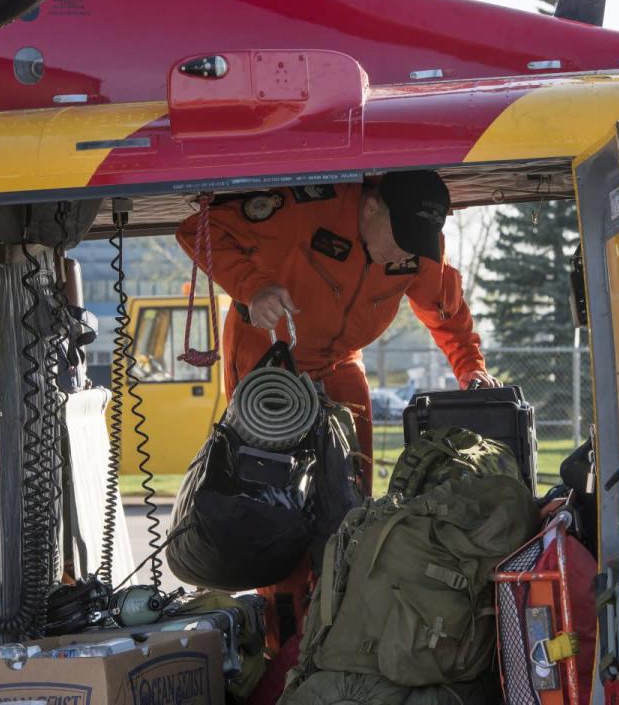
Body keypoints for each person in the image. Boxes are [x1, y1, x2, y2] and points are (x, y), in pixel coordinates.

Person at [176, 169, 499, 646]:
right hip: (269, 356)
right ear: (370, 206)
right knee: (274, 509)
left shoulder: (415, 247)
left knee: (351, 508)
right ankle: (281, 640)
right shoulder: (304, 209)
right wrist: (254, 287)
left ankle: (337, 624)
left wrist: (470, 368)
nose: (406, 253)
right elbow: (197, 231)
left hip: (340, 361)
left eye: (417, 244)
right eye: (401, 239)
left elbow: (446, 312)